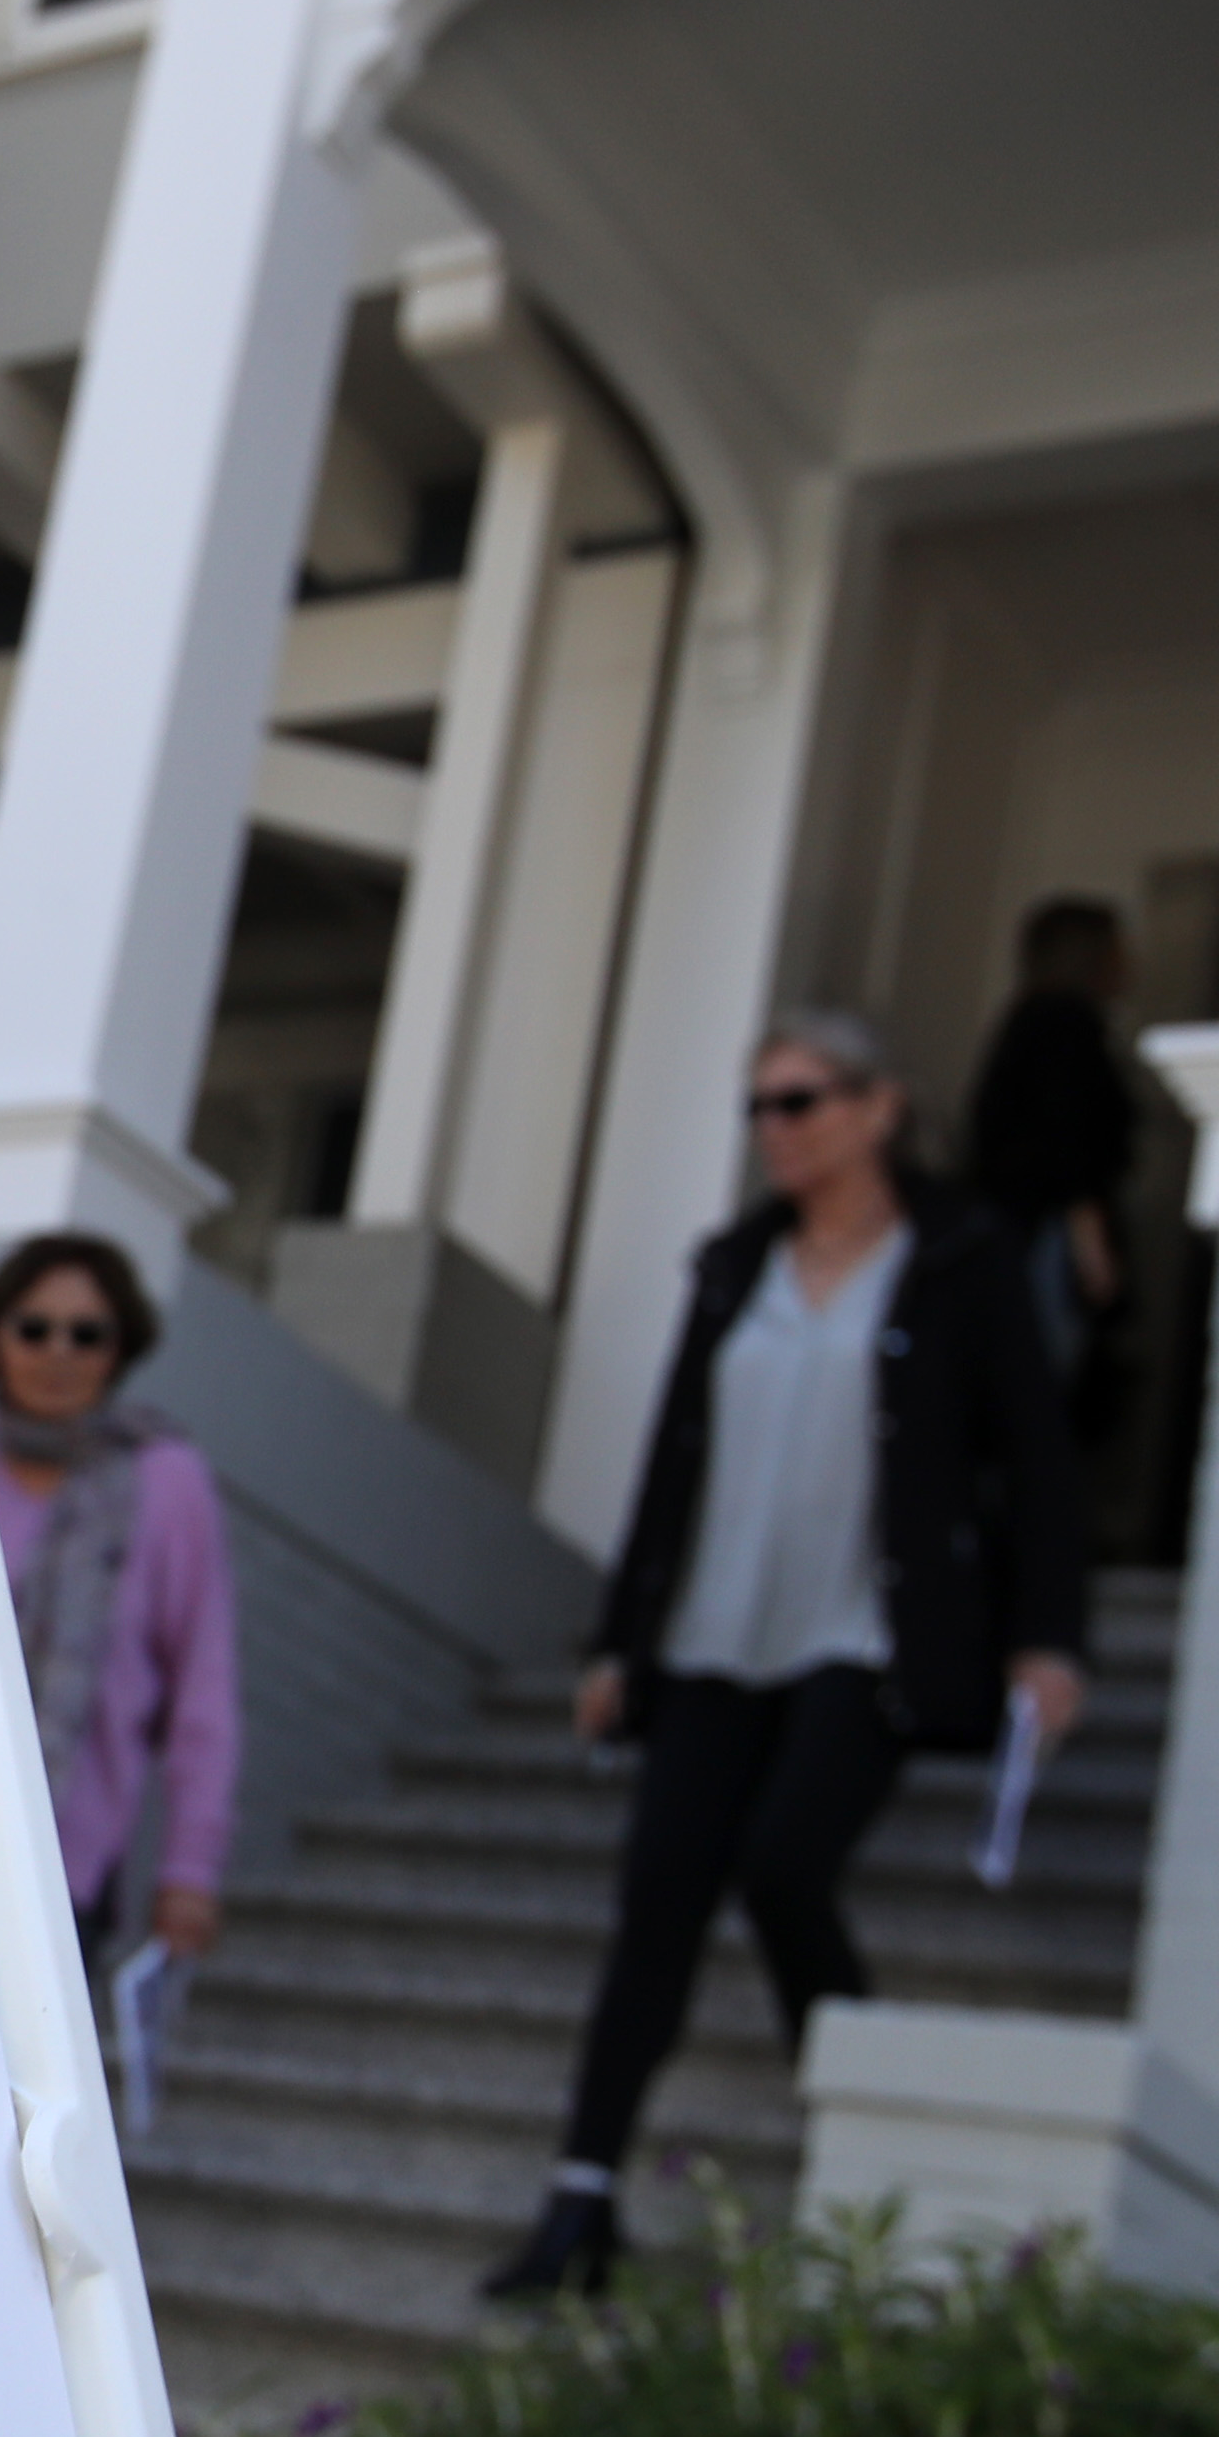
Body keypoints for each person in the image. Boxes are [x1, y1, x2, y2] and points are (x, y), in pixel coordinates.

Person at [479, 1012, 1090, 2301]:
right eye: (760, 1107)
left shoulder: (959, 1261)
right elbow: (672, 1458)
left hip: (864, 1632)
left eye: (801, 1101)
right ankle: (579, 2202)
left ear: (880, 1110)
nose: (776, 1130)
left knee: (784, 1865)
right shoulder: (733, 1266)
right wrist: (619, 1642)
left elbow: (1036, 1456)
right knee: (657, 1903)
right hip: (711, 1633)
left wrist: (1049, 1637)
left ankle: (860, 2152)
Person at [0, 1233, 241, 1980]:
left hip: (65, 1866)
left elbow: (202, 1693)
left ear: (119, 1350)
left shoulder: (165, 1481)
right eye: (33, 1329)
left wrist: (191, 1867)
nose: (59, 1352)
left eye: (87, 1334)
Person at [969, 896, 1140, 1409]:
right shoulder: (1066, 1026)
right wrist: (1090, 1241)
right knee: (1036, 1386)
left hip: (1017, 1227)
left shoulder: (1027, 1020)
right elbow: (1066, 1140)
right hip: (1043, 1232)